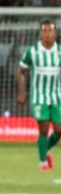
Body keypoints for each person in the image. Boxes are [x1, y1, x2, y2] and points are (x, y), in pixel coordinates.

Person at [16, 19, 60, 171]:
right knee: (44, 128)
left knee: (59, 131)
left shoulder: (60, 51)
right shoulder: (32, 51)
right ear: (41, 33)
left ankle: (45, 149)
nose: (47, 33)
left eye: (50, 30)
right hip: (39, 97)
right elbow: (21, 72)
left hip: (56, 97)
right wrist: (22, 93)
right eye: (45, 31)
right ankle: (43, 162)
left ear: (55, 33)